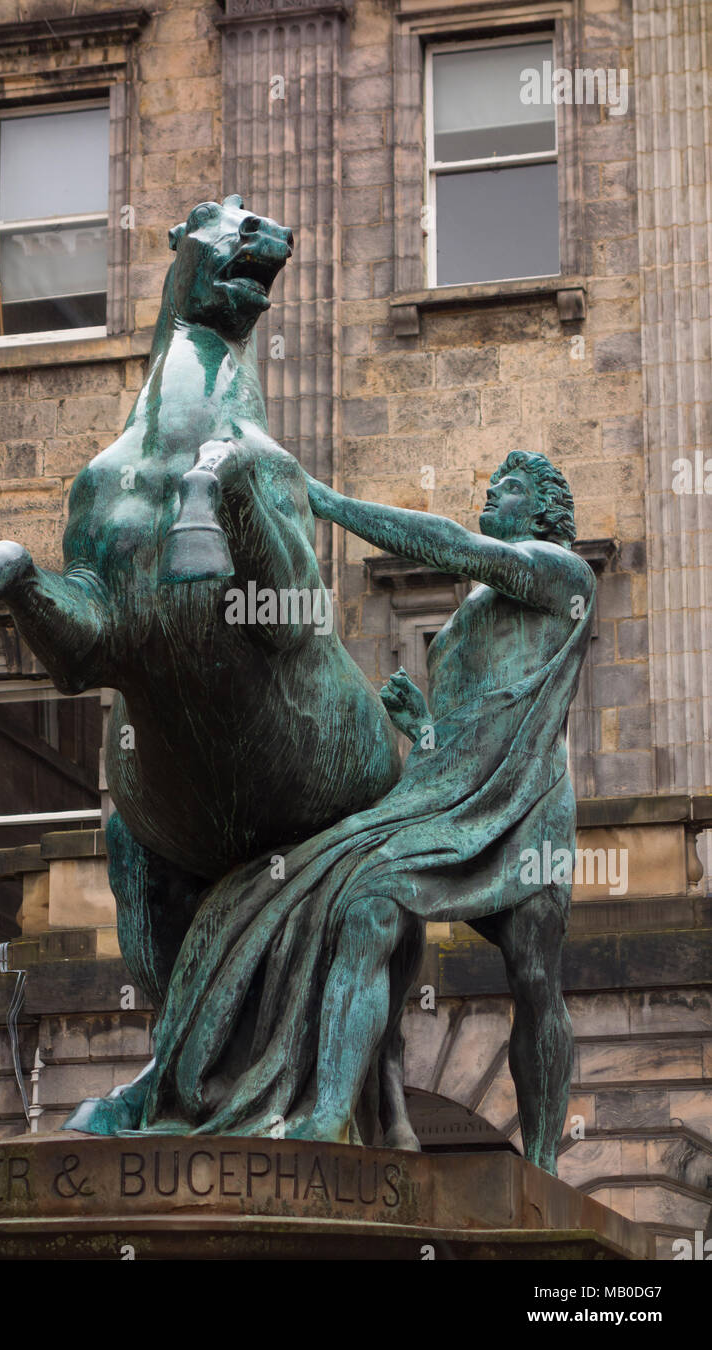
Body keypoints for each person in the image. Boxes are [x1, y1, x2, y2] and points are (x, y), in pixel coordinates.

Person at [69, 451, 595, 1177]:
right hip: (443, 800)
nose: (489, 498)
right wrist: (422, 727)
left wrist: (325, 502)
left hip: (525, 809)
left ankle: (541, 1163)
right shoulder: (475, 613)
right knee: (362, 905)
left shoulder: (562, 574)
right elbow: (470, 726)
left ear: (541, 512)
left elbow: (457, 546)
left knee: (535, 975)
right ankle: (324, 1112)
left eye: (505, 490)